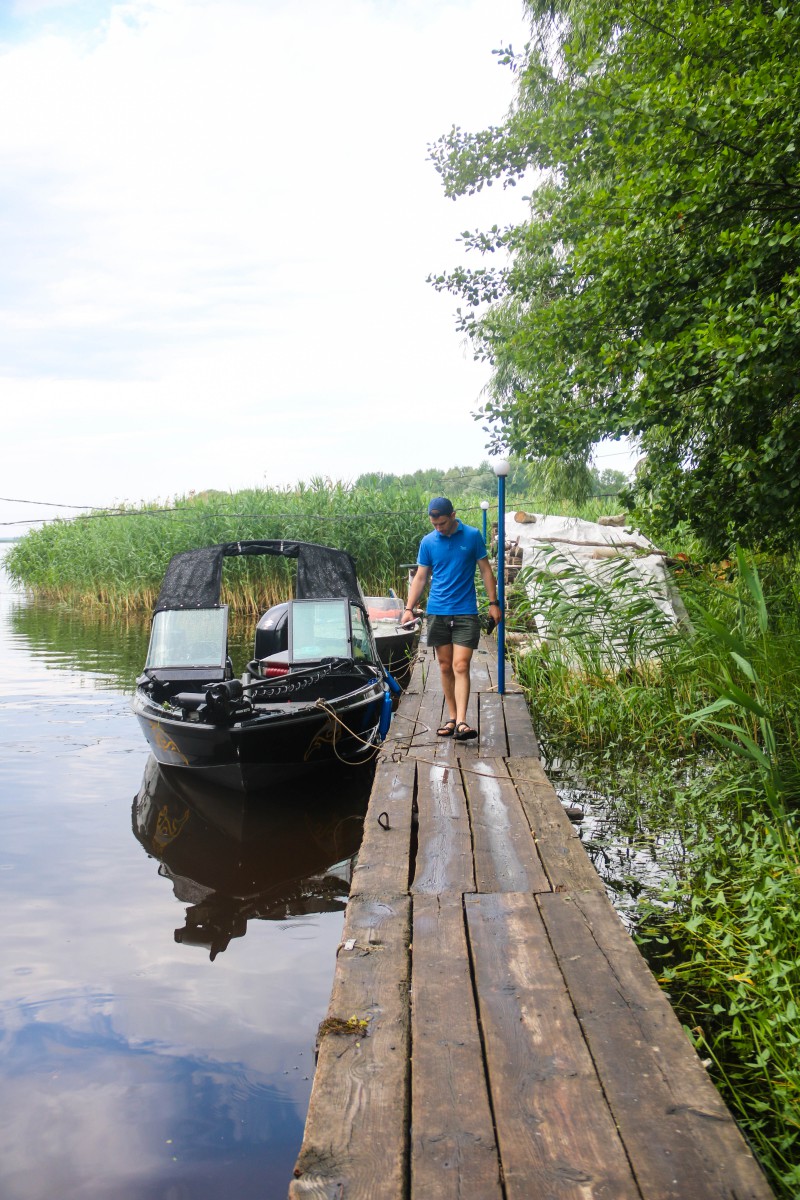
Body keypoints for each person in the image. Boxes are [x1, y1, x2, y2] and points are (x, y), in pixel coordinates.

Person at [402, 497, 502, 741]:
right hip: (437, 612)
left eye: (443, 523)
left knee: (461, 665)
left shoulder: (472, 536)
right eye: (435, 524)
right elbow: (421, 577)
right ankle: (452, 717)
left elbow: (486, 570)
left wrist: (494, 603)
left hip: (465, 611)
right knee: (445, 666)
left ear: (454, 515)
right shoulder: (428, 542)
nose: (439, 528)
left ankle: (462, 722)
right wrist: (408, 608)